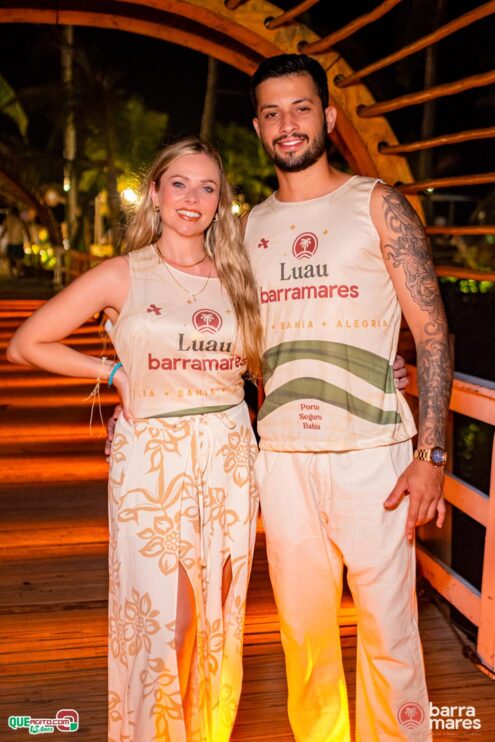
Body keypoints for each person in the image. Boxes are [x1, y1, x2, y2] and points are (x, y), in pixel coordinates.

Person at [7, 138, 264, 741]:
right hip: (153, 460)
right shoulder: (123, 273)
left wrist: (389, 371)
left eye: (207, 187)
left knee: (218, 620)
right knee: (167, 626)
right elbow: (26, 344)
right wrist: (114, 373)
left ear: (220, 201)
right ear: (155, 192)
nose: (192, 198)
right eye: (179, 183)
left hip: (229, 454)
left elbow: (276, 359)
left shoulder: (240, 276)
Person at [242, 54, 452, 741]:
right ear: (258, 127)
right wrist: (135, 405)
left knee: (390, 634)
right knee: (303, 638)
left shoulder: (376, 203)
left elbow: (432, 333)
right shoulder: (248, 226)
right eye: (272, 112)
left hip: (374, 455)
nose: (287, 123)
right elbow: (234, 344)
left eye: (301, 108)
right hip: (283, 459)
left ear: (328, 117)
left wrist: (431, 455)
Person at [0, 206, 27, 277]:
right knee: (18, 259)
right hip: (18, 242)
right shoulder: (19, 221)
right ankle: (16, 274)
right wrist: (29, 240)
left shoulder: (8, 220)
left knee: (10, 258)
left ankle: (12, 274)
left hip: (11, 242)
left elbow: (4, 231)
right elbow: (26, 231)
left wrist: (1, 238)